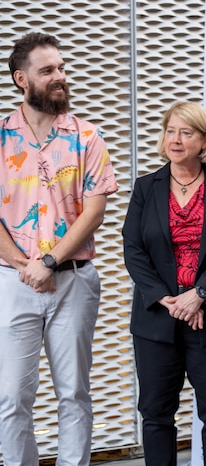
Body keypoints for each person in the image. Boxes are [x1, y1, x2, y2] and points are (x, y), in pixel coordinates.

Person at [0, 32, 119, 466]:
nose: (60, 77)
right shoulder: (0, 138)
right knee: (12, 396)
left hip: (74, 282)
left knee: (73, 392)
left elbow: (94, 211)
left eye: (62, 68)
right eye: (47, 70)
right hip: (13, 282)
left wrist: (49, 261)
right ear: (21, 79)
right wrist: (25, 265)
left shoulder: (87, 137)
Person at [122, 101, 206, 466]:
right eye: (170, 131)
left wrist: (199, 295)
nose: (175, 140)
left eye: (186, 132)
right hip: (156, 320)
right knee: (157, 415)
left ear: (204, 139)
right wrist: (169, 300)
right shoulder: (146, 187)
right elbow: (133, 248)